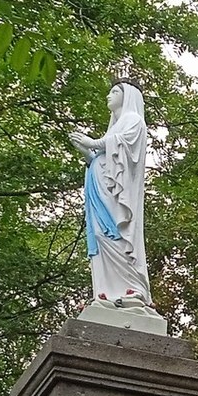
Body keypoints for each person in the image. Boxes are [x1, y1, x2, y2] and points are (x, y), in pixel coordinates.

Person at [69, 81, 151, 308]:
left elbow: (124, 147)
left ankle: (133, 288)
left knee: (117, 234)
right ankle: (107, 291)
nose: (109, 95)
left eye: (115, 92)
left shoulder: (133, 120)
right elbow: (103, 159)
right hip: (100, 191)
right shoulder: (114, 127)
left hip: (116, 196)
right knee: (100, 234)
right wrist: (87, 151)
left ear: (128, 97)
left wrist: (93, 142)